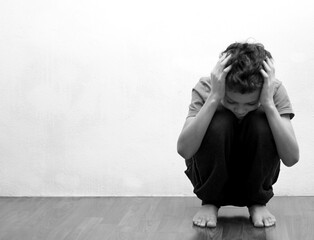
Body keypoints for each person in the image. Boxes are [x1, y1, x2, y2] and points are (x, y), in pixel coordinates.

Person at [177, 42, 299, 228]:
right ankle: (211, 201)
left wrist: (267, 104)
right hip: (210, 177)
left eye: (250, 104)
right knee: (219, 120)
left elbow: (291, 158)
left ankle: (257, 202)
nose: (241, 110)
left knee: (261, 120)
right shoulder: (208, 87)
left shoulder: (273, 90)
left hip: (255, 177)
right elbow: (185, 150)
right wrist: (215, 98)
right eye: (232, 102)